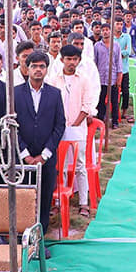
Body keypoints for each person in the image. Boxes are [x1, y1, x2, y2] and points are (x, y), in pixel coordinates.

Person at [13, 52, 65, 236]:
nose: (38, 70)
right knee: (23, 198)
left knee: (44, 200)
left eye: (42, 66)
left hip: (46, 159)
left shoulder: (55, 94)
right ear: (27, 69)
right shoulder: (15, 93)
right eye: (34, 66)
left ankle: (39, 240)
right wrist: (24, 154)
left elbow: (60, 125)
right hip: (22, 159)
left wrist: (44, 155)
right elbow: (11, 126)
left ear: (46, 69)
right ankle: (21, 238)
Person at [47, 44, 98, 217]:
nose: (71, 62)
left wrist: (74, 124)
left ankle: (83, 202)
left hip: (77, 128)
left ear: (79, 60)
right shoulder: (54, 79)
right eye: (68, 59)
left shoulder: (84, 79)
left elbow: (87, 106)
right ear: (61, 60)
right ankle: (59, 201)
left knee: (80, 165)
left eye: (75, 59)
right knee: (59, 165)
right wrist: (60, 125)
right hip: (58, 129)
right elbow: (50, 105)